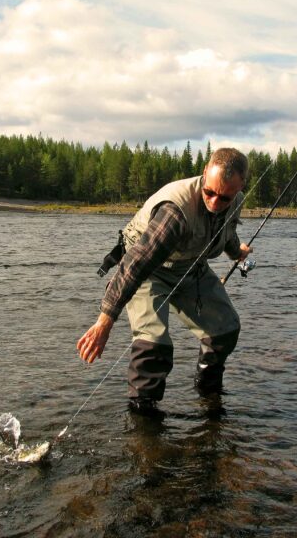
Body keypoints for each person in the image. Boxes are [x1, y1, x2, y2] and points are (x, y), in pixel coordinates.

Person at [76, 147, 252, 415]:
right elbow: (135, 265)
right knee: (154, 343)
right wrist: (104, 322)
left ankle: (208, 392)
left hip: (190, 266)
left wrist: (236, 253)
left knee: (226, 329)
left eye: (224, 198)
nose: (215, 202)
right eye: (209, 193)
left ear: (239, 188)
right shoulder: (175, 212)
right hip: (150, 269)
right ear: (205, 174)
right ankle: (143, 416)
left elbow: (224, 232)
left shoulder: (234, 200)